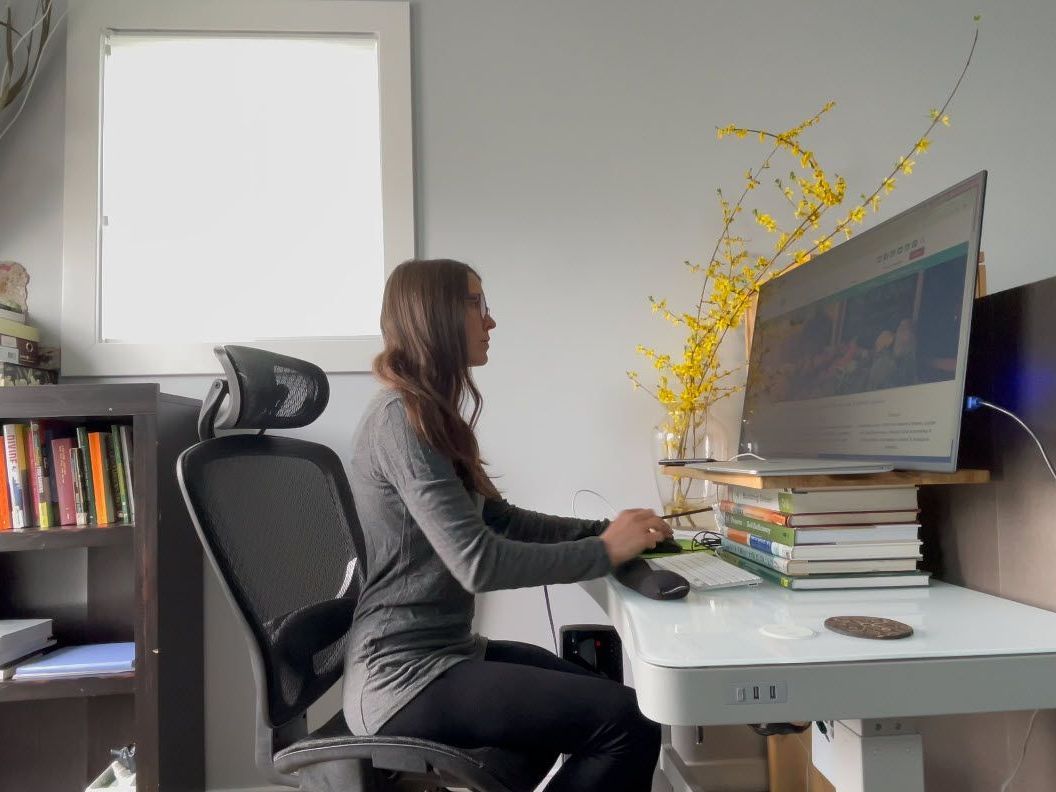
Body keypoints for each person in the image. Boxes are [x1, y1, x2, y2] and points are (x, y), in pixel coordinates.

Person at [343, 258, 669, 791]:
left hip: (445, 653)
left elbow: (502, 520)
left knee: (622, 704)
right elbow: (478, 563)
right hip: (401, 678)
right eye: (479, 305)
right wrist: (606, 550)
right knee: (626, 726)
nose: (491, 322)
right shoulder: (400, 420)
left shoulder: (430, 414)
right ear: (438, 314)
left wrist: (606, 530)